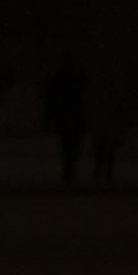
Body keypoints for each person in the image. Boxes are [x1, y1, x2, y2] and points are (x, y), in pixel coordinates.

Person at [43, 52, 90, 187]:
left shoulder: (63, 78)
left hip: (68, 115)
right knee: (71, 143)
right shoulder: (75, 78)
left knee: (69, 143)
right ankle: (70, 168)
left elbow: (50, 98)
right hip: (69, 115)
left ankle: (69, 168)